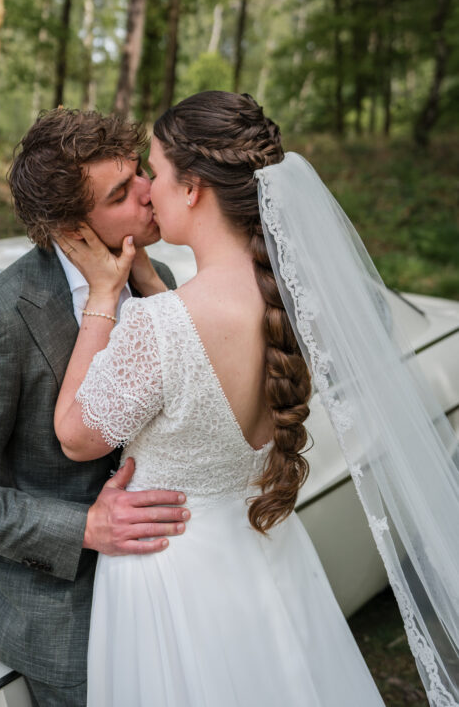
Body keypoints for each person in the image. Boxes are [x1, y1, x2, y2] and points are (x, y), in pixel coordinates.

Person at [54, 91, 459, 706]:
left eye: (155, 172)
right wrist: (146, 281)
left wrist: (104, 299)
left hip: (173, 574)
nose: (147, 190)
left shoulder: (159, 324)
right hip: (263, 548)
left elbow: (77, 436)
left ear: (191, 189)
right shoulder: (292, 300)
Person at [0, 108, 189, 707]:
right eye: (122, 191)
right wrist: (86, 526)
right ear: (71, 226)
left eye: (141, 171)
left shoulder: (155, 273)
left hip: (169, 587)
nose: (149, 191)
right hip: (68, 623)